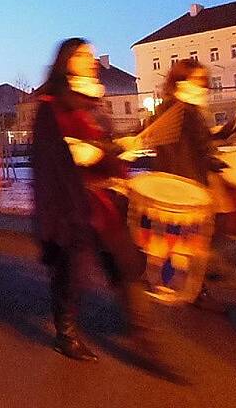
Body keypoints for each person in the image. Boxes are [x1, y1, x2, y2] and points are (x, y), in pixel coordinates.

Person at [31, 38, 153, 361]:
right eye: (84, 55)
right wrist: (75, 154)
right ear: (68, 61)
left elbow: (102, 148)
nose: (91, 60)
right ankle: (66, 333)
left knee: (127, 262)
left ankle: (143, 333)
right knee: (71, 273)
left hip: (103, 203)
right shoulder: (50, 104)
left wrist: (117, 151)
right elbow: (48, 159)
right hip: (71, 205)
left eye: (92, 55)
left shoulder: (93, 102)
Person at [152, 59, 236, 313]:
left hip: (191, 177)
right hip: (188, 180)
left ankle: (194, 281)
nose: (204, 85)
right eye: (199, 80)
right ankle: (194, 284)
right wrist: (212, 161)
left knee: (207, 230)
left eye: (204, 80)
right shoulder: (179, 109)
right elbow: (180, 147)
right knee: (206, 231)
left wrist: (218, 135)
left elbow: (194, 139)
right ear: (182, 80)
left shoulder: (183, 107)